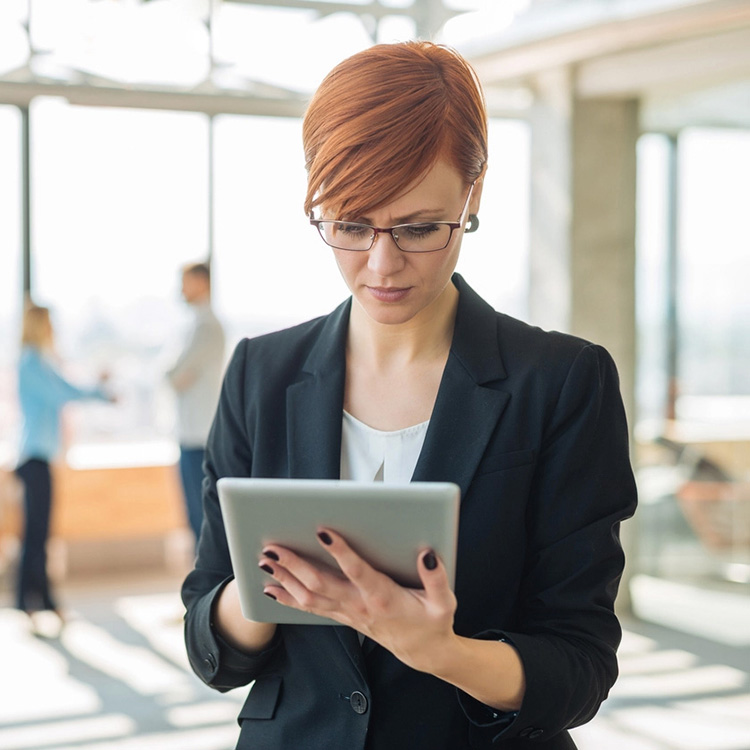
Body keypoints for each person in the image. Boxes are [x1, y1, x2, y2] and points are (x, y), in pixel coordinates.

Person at [182, 41, 637, 749]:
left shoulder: (560, 383)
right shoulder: (259, 374)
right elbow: (208, 638)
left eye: (420, 227)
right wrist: (263, 594)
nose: (383, 264)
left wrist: (439, 650)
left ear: (472, 194)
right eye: (351, 226)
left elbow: (579, 664)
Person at [15, 303, 112, 626]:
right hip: (33, 458)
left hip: (42, 457)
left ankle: (35, 600)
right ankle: (35, 600)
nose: (53, 329)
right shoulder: (30, 362)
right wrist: (98, 391)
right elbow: (61, 394)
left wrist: (100, 392)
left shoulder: (42, 361)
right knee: (36, 533)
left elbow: (66, 389)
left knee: (40, 532)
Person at [166, 261, 226, 548]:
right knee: (194, 515)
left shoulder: (206, 327)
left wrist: (176, 374)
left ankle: (207, 589)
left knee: (201, 517)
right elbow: (177, 375)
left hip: (200, 435)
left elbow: (174, 375)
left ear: (202, 283)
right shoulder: (194, 326)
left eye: (185, 282)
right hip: (192, 432)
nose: (181, 289)